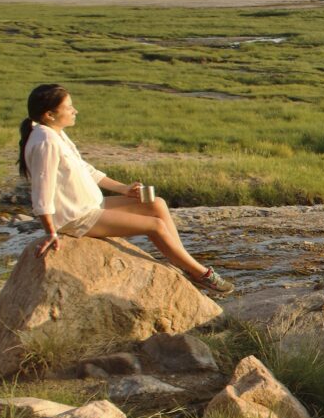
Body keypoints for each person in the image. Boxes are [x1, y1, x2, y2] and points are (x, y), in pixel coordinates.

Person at [16, 83, 233, 293]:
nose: (75, 111)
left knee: (156, 204)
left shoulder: (55, 134)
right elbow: (42, 189)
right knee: (155, 225)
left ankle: (183, 262)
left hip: (89, 206)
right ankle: (200, 273)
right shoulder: (46, 142)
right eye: (69, 107)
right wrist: (50, 232)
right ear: (49, 114)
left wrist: (124, 189)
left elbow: (86, 169)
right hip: (76, 217)